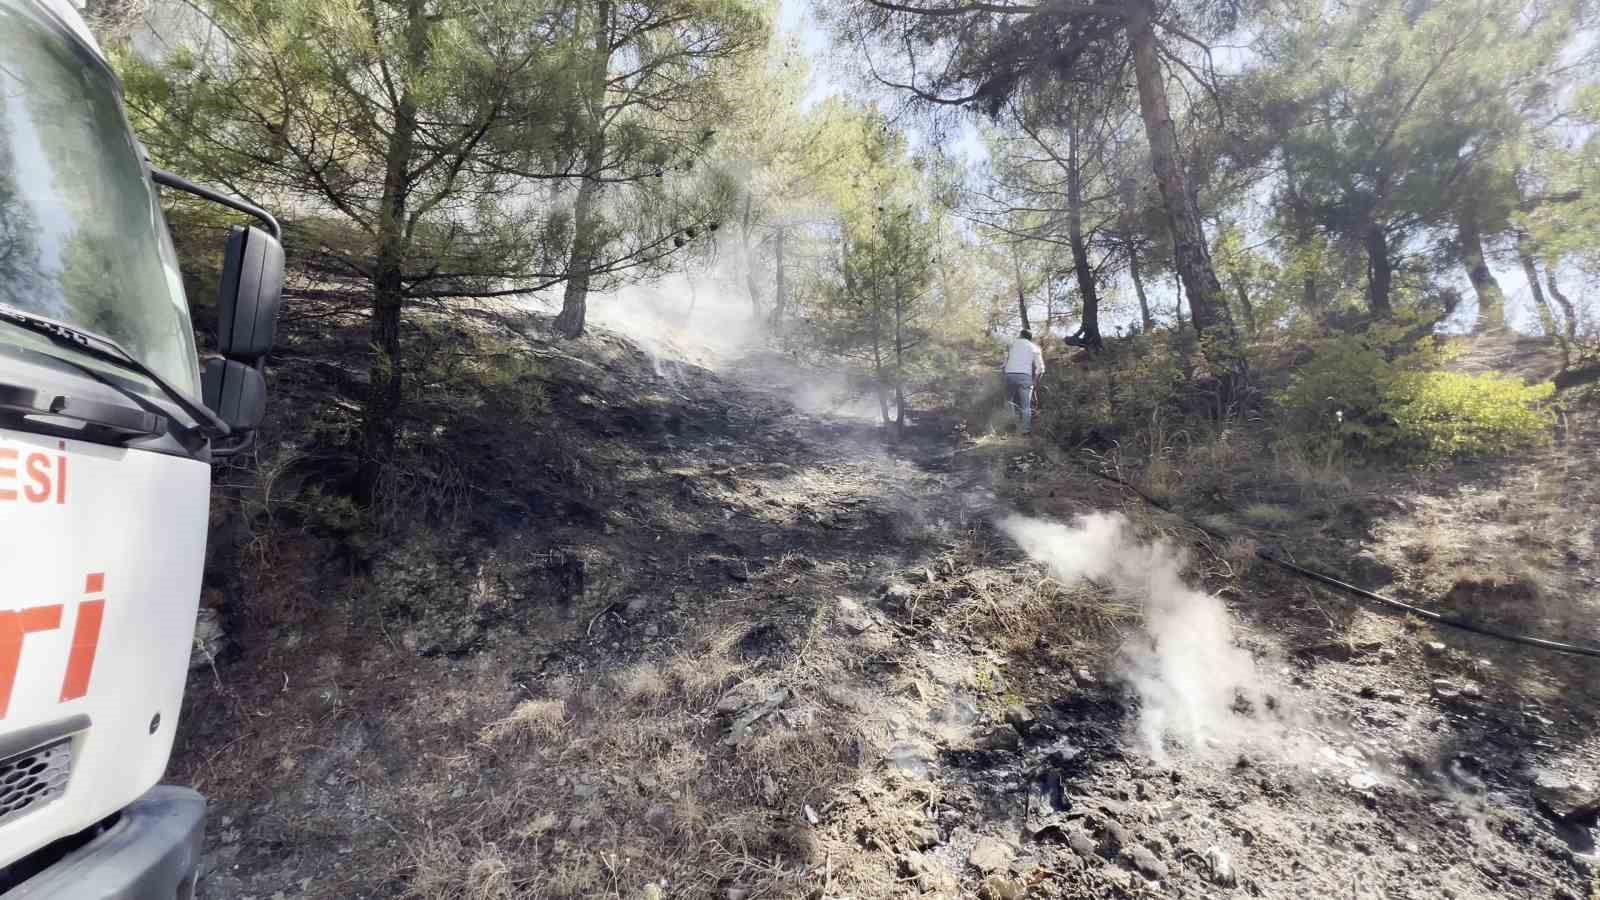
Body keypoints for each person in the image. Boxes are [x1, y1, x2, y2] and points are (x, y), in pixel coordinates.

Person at [1002, 328, 1045, 435]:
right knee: (1025, 406)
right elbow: (1041, 369)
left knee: (1009, 401)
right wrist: (1035, 382)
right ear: (1030, 338)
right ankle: (1025, 431)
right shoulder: (1035, 347)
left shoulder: (1011, 343)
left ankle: (1012, 424)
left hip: (1010, 375)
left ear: (1021, 335)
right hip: (1025, 377)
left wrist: (1004, 369)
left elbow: (1004, 361)